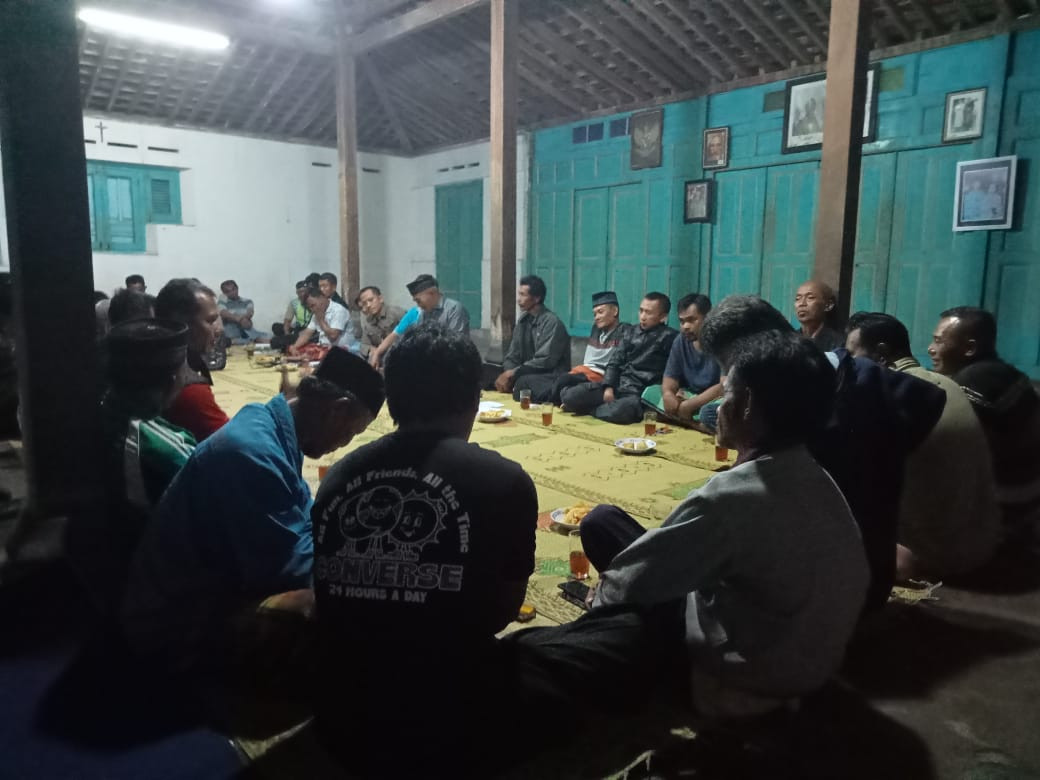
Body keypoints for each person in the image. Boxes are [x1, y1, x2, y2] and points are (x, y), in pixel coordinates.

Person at [311, 323, 666, 777]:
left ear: (392, 396)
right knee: (615, 637)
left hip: (343, 721)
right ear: (472, 399)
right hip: (452, 725)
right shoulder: (500, 480)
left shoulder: (338, 478)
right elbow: (499, 613)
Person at [581, 332, 869, 717]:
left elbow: (633, 582)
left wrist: (601, 600)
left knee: (612, 587)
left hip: (751, 667)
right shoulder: (814, 472)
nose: (717, 406)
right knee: (607, 523)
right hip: (815, 656)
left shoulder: (731, 496)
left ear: (747, 405)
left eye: (726, 394)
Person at [122, 348, 384, 681]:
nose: (343, 444)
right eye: (351, 433)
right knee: (334, 599)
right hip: (173, 625)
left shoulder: (269, 426)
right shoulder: (250, 452)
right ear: (338, 411)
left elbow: (300, 521)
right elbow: (293, 568)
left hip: (200, 595)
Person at [699, 295, 945, 611]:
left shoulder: (794, 414)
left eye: (732, 369)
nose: (730, 380)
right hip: (869, 582)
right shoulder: (863, 375)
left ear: (761, 355)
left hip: (819, 601)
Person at [847, 312, 1000, 580]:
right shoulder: (945, 385)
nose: (848, 363)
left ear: (880, 353)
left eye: (852, 353)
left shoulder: (890, 397)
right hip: (983, 544)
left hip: (936, 557)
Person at [75, 319, 197, 615]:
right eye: (185, 371)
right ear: (171, 380)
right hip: (157, 592)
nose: (189, 377)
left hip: (104, 575)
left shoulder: (98, 413)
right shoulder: (156, 445)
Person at [928, 307, 1040, 539]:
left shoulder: (973, 381)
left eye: (939, 341)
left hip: (1005, 498)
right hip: (1029, 491)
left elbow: (952, 451)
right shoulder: (1009, 373)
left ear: (969, 348)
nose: (931, 349)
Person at [561, 292, 677, 424]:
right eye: (641, 311)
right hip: (618, 387)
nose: (643, 317)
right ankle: (598, 409)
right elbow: (614, 362)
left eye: (648, 313)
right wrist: (609, 387)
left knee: (619, 410)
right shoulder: (630, 332)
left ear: (663, 317)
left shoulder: (670, 337)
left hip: (638, 394)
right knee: (570, 395)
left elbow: (673, 371)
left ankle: (591, 410)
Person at [155, 278, 229, 442]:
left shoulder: (154, 362)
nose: (219, 329)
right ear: (182, 325)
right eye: (210, 321)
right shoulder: (188, 389)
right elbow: (234, 443)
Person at [642, 293, 722, 427]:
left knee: (710, 413)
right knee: (650, 393)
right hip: (689, 395)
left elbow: (723, 387)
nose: (685, 326)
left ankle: (688, 421)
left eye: (691, 320)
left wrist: (690, 405)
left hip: (713, 398)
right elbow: (670, 379)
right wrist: (668, 395)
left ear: (708, 318)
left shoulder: (722, 341)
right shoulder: (681, 341)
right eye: (682, 321)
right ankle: (696, 424)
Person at [538, 290, 627, 406]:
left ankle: (550, 403)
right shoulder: (596, 329)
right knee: (528, 382)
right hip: (583, 372)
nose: (596, 317)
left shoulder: (625, 331)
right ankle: (558, 399)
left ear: (615, 311)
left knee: (563, 381)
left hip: (600, 376)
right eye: (594, 314)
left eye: (600, 312)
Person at [367, 274, 470, 368]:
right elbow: (417, 339)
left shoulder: (454, 309)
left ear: (432, 293)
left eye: (418, 300)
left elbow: (457, 344)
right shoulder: (424, 313)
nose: (418, 305)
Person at [496, 275, 570, 396]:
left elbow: (545, 361)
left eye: (523, 295)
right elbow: (513, 355)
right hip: (526, 373)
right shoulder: (523, 321)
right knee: (486, 372)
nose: (518, 300)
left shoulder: (552, 323)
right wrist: (508, 372)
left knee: (524, 382)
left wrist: (513, 373)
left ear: (536, 298)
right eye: (519, 294)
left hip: (549, 376)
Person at [289, 285, 360, 355]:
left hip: (343, 351)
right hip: (324, 349)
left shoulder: (338, 310)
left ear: (321, 297)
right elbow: (307, 333)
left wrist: (321, 320)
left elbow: (333, 336)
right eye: (310, 308)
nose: (312, 309)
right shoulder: (317, 312)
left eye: (313, 305)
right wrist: (294, 347)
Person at [355, 285, 405, 363]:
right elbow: (364, 344)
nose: (368, 305)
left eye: (371, 300)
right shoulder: (368, 322)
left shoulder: (396, 313)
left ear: (380, 299)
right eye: (365, 303)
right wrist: (372, 350)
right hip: (380, 357)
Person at [794, 280, 844, 351]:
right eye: (797, 299)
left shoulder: (838, 343)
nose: (801, 303)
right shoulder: (789, 341)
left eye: (810, 297)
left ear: (828, 305)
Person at [218, 279, 269, 344]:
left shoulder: (247, 301)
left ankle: (252, 340)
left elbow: (250, 313)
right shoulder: (222, 302)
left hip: (247, 331)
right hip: (231, 335)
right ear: (224, 293)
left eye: (233, 289)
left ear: (237, 288)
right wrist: (239, 319)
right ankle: (251, 340)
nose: (232, 292)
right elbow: (223, 313)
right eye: (228, 291)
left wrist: (243, 319)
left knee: (269, 336)